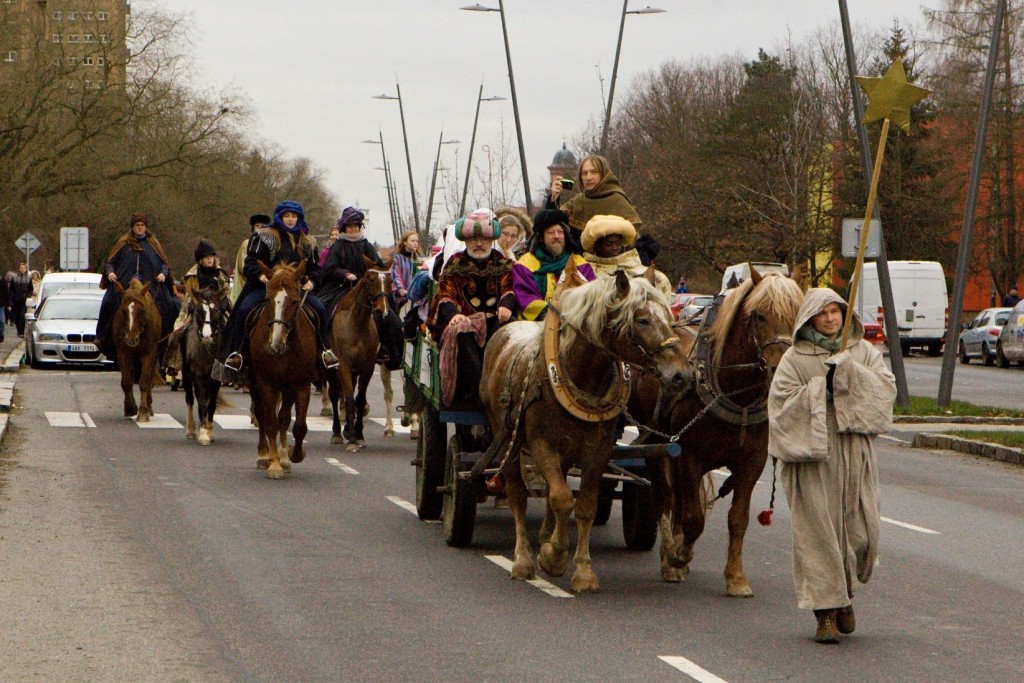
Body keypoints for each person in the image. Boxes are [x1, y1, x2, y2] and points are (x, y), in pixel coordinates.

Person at [767, 288, 897, 644]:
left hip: (854, 450)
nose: (829, 318)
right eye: (822, 313)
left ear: (845, 314)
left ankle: (846, 594)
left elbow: (885, 392)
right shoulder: (795, 358)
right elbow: (779, 406)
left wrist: (850, 373)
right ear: (810, 318)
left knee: (859, 531)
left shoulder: (863, 351)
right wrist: (820, 387)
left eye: (835, 312)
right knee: (818, 536)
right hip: (812, 457)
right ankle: (824, 613)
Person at [219, 200, 337, 375]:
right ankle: (238, 353)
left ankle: (324, 351)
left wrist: (312, 281)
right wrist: (260, 276)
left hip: (295, 290)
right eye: (287, 216)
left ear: (299, 218)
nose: (290, 219)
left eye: (294, 216)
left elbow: (314, 268)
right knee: (244, 310)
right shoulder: (264, 237)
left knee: (319, 309)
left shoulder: (307, 241)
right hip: (266, 288)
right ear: (280, 217)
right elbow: (250, 263)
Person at [427, 210, 515, 410]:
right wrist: (454, 315)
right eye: (474, 239)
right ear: (465, 241)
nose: (479, 244)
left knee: (510, 330)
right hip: (464, 320)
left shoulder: (502, 263)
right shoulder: (455, 264)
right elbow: (445, 293)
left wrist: (506, 306)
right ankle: (473, 390)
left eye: (484, 239)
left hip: (494, 319)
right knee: (461, 331)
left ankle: (504, 388)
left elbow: (509, 287)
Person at [96, 213, 179, 358]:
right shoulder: (123, 243)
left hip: (151, 284)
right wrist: (110, 273)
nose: (140, 228)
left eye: (142, 225)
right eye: (137, 225)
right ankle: (103, 337)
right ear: (132, 227)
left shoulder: (153, 244)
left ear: (146, 227)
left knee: (172, 304)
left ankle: (167, 339)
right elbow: (110, 263)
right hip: (124, 284)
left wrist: (163, 274)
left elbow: (164, 264)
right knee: (108, 302)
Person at [512, 209, 595, 321]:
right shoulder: (525, 264)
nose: (556, 236)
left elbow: (591, 294)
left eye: (560, 232)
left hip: (575, 321)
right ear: (541, 238)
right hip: (538, 323)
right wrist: (553, 314)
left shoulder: (579, 263)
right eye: (551, 232)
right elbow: (525, 296)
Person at [164, 240, 232, 375]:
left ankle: (230, 361)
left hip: (216, 307)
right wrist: (193, 305)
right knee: (177, 332)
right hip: (197, 306)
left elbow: (226, 291)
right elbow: (190, 293)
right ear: (200, 260)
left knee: (231, 329)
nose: (210, 260)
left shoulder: (220, 274)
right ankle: (173, 363)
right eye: (207, 257)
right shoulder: (192, 275)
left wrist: (223, 305)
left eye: (211, 257)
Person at [553, 154, 642, 249]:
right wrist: (554, 198)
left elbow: (632, 238)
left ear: (604, 175)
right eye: (584, 173)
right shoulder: (578, 201)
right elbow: (553, 221)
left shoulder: (617, 200)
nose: (588, 177)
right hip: (580, 261)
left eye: (594, 172)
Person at [580, 215, 673, 299]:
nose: (615, 248)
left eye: (618, 243)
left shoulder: (634, 265)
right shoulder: (585, 270)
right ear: (598, 246)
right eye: (609, 244)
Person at [318, 206, 386, 315]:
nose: (353, 229)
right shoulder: (338, 245)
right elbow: (329, 269)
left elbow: (378, 265)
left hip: (366, 286)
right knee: (322, 308)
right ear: (344, 228)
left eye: (356, 226)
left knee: (391, 315)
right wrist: (345, 274)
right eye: (350, 226)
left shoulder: (366, 245)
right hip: (340, 287)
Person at [231, 214, 270, 304]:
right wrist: (258, 274)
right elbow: (243, 265)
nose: (260, 228)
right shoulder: (247, 244)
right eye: (257, 226)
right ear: (253, 228)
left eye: (263, 226)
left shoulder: (271, 243)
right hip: (251, 281)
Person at [390, 230, 420, 311]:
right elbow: (396, 275)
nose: (415, 243)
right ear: (405, 242)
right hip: (400, 298)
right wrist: (400, 289)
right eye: (412, 241)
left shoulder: (418, 260)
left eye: (417, 241)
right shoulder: (397, 259)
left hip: (414, 298)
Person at [8, 263, 33, 338]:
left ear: (25, 269)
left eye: (23, 267)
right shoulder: (15, 277)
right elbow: (11, 289)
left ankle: (22, 332)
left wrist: (28, 296)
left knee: (22, 316)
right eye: (21, 267)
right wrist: (12, 297)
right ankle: (19, 331)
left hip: (24, 300)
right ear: (19, 268)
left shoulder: (28, 278)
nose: (22, 269)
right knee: (17, 316)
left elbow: (31, 289)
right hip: (15, 300)